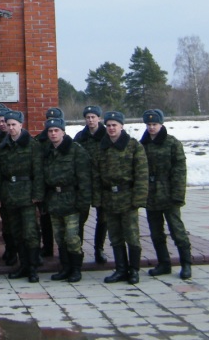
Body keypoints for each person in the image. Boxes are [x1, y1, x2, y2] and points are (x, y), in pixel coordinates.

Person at [94, 111, 149, 285]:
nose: (111, 128)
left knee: (131, 236)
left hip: (127, 197)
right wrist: (98, 199)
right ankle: (120, 269)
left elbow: (141, 174)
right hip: (109, 198)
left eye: (114, 125)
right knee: (115, 236)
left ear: (121, 126)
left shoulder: (133, 146)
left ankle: (133, 270)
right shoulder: (102, 147)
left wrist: (138, 198)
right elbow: (96, 175)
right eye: (108, 125)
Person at [140, 109, 193, 280]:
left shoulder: (172, 143)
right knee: (156, 232)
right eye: (149, 125)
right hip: (151, 194)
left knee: (177, 230)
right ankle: (164, 263)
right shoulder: (143, 144)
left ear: (161, 125)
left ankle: (186, 263)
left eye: (154, 124)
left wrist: (178, 195)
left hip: (168, 193)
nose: (151, 128)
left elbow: (179, 171)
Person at [0, 110, 43, 282]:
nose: (11, 128)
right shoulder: (3, 145)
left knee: (30, 232)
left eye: (14, 124)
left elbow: (38, 171)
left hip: (27, 195)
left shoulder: (32, 145)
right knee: (16, 232)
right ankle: (22, 266)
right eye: (8, 125)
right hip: (9, 194)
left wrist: (37, 194)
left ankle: (33, 267)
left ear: (21, 125)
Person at [41, 116, 92, 283]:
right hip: (54, 200)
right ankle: (65, 268)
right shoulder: (47, 151)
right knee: (60, 237)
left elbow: (84, 178)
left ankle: (76, 269)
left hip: (71, 200)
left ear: (63, 131)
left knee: (72, 237)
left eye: (56, 130)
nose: (53, 133)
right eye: (50, 131)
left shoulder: (76, 150)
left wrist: (83, 203)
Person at [75, 105, 109, 264]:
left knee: (103, 218)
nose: (90, 120)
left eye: (93, 117)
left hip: (102, 183)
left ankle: (99, 249)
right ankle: (78, 250)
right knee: (80, 218)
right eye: (87, 117)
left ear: (99, 118)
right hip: (84, 183)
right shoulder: (80, 137)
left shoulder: (107, 136)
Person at [35, 107, 64, 265]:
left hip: (61, 189)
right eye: (48, 120)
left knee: (62, 221)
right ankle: (47, 246)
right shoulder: (39, 140)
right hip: (45, 186)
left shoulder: (68, 143)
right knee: (45, 218)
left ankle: (64, 253)